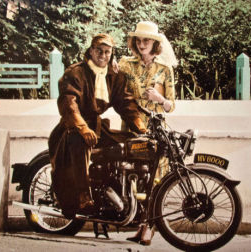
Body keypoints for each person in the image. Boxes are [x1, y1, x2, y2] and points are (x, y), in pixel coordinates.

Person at [48, 33, 146, 219]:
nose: (103, 55)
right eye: (99, 51)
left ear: (111, 53)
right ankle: (83, 196)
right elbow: (69, 104)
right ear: (91, 51)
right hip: (72, 127)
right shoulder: (76, 72)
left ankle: (117, 191)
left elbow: (125, 103)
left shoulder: (113, 76)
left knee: (131, 143)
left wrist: (140, 127)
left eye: (107, 52)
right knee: (81, 142)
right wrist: (82, 127)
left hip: (98, 126)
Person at [119, 21, 177, 246]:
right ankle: (138, 224)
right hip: (131, 127)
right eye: (139, 40)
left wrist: (160, 100)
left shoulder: (164, 69)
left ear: (155, 43)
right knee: (135, 176)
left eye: (147, 40)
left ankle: (149, 228)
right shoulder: (126, 64)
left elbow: (172, 105)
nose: (142, 44)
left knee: (154, 179)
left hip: (155, 132)